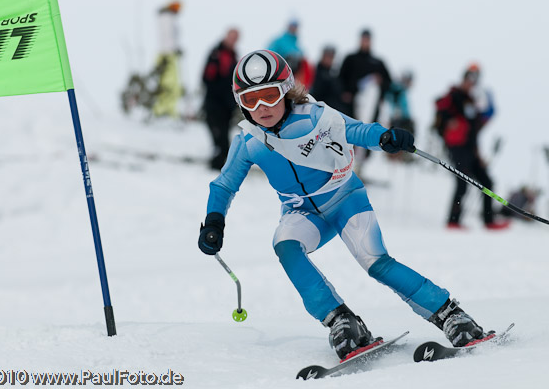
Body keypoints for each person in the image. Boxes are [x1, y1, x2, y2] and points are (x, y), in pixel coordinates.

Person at [197, 50, 490, 361]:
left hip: (345, 199)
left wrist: (385, 137)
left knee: (375, 262)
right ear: (240, 102)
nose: (262, 108)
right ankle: (342, 321)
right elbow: (224, 185)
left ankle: (450, 314)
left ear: (285, 90)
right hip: (303, 214)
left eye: (269, 96)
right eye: (251, 100)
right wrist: (214, 220)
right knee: (285, 245)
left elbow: (355, 130)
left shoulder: (313, 116)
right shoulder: (248, 141)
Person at [433, 64, 509, 230]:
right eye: (470, 78)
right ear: (464, 78)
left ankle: (488, 221)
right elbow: (439, 109)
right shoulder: (453, 96)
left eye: (475, 79)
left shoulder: (472, 102)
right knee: (462, 181)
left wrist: (478, 154)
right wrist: (448, 122)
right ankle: (453, 220)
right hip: (456, 147)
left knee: (487, 181)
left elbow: (475, 131)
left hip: (470, 148)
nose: (471, 82)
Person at [201, 28, 240, 170]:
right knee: (219, 140)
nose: (233, 40)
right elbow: (207, 78)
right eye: (232, 37)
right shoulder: (216, 53)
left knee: (224, 140)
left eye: (236, 38)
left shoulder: (234, 55)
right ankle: (216, 168)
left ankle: (221, 167)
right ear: (226, 36)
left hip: (227, 107)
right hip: (214, 104)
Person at [338, 29, 391, 123]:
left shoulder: (378, 63)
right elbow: (341, 77)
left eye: (367, 40)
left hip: (371, 105)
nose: (365, 42)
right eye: (363, 39)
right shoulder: (351, 59)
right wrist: (345, 92)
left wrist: (381, 83)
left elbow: (388, 82)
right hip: (352, 103)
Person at [152, 0, 184, 118]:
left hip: (168, 54)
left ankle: (168, 109)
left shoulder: (166, 18)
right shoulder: (167, 17)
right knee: (169, 84)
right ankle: (165, 110)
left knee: (170, 83)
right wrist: (174, 49)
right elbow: (168, 37)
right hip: (168, 55)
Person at [267, 20, 314, 89]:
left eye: (295, 26)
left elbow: (305, 67)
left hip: (294, 76)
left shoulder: (298, 47)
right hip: (280, 74)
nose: (294, 28)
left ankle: (302, 88)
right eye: (292, 25)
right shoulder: (278, 41)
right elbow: (270, 55)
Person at [310, 45, 343, 111]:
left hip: (333, 109)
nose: (329, 59)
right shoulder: (315, 72)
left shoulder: (334, 73)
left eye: (331, 57)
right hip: (320, 108)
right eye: (328, 56)